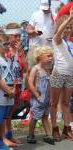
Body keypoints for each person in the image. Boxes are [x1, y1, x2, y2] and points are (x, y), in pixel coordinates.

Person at [50, 9, 73, 141]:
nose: (67, 29)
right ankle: (54, 128)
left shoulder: (70, 43)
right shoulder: (57, 40)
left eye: (70, 27)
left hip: (70, 75)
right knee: (53, 103)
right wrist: (69, 18)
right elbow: (59, 32)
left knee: (66, 103)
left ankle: (66, 128)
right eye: (66, 27)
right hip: (58, 74)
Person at [3, 22, 28, 146]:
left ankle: (9, 135)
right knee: (5, 112)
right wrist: (15, 53)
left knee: (10, 112)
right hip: (7, 86)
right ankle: (3, 138)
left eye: (19, 35)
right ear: (8, 37)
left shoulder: (20, 50)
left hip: (17, 85)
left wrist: (20, 53)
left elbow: (26, 67)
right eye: (15, 36)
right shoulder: (4, 50)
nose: (18, 38)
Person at [0, 33, 15, 150]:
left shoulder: (5, 59)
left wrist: (12, 89)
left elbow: (8, 76)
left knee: (3, 119)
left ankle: (1, 141)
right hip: (0, 96)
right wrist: (7, 90)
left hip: (8, 95)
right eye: (5, 44)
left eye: (8, 44)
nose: (7, 46)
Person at [27, 46, 54, 144]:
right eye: (48, 56)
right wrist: (37, 95)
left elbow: (49, 84)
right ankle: (30, 134)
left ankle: (48, 135)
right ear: (39, 57)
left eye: (51, 56)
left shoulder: (47, 69)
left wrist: (50, 97)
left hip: (46, 98)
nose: (51, 58)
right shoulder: (36, 69)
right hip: (37, 98)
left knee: (45, 116)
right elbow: (30, 83)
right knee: (35, 117)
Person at [26, 0, 55, 69]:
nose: (44, 10)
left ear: (50, 6)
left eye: (46, 8)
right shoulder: (35, 14)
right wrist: (34, 32)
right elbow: (28, 30)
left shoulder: (54, 15)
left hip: (48, 48)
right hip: (36, 47)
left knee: (47, 71)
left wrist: (52, 38)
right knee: (31, 69)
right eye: (43, 8)